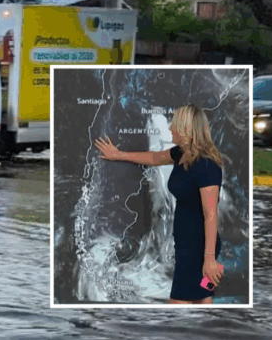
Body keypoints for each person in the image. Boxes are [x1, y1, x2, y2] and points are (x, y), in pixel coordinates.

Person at [94, 104, 225, 304]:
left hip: (198, 249)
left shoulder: (206, 166)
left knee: (179, 308)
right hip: (186, 244)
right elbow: (155, 158)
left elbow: (211, 214)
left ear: (186, 129)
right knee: (202, 305)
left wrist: (209, 260)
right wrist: (118, 155)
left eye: (175, 124)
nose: (170, 128)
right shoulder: (182, 154)